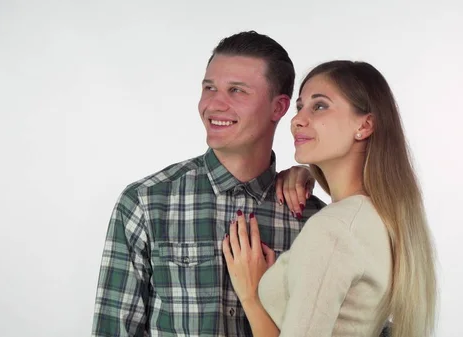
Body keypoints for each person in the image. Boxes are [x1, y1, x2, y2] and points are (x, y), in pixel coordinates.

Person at [90, 31, 327, 336]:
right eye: (209, 87)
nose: (215, 104)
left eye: (237, 91)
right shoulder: (145, 203)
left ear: (278, 108)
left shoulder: (314, 221)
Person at [223, 60, 437, 337]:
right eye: (300, 106)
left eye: (320, 106)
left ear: (365, 125)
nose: (297, 119)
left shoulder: (334, 229)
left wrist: (252, 296)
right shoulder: (376, 218)